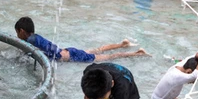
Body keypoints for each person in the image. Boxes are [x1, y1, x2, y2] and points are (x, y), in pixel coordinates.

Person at [14, 17, 146, 63]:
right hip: (70, 51)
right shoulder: (35, 38)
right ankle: (122, 44)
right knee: (98, 50)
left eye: (17, 33)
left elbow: (24, 48)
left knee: (109, 57)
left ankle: (137, 53)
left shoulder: (30, 39)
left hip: (74, 56)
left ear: (22, 31)